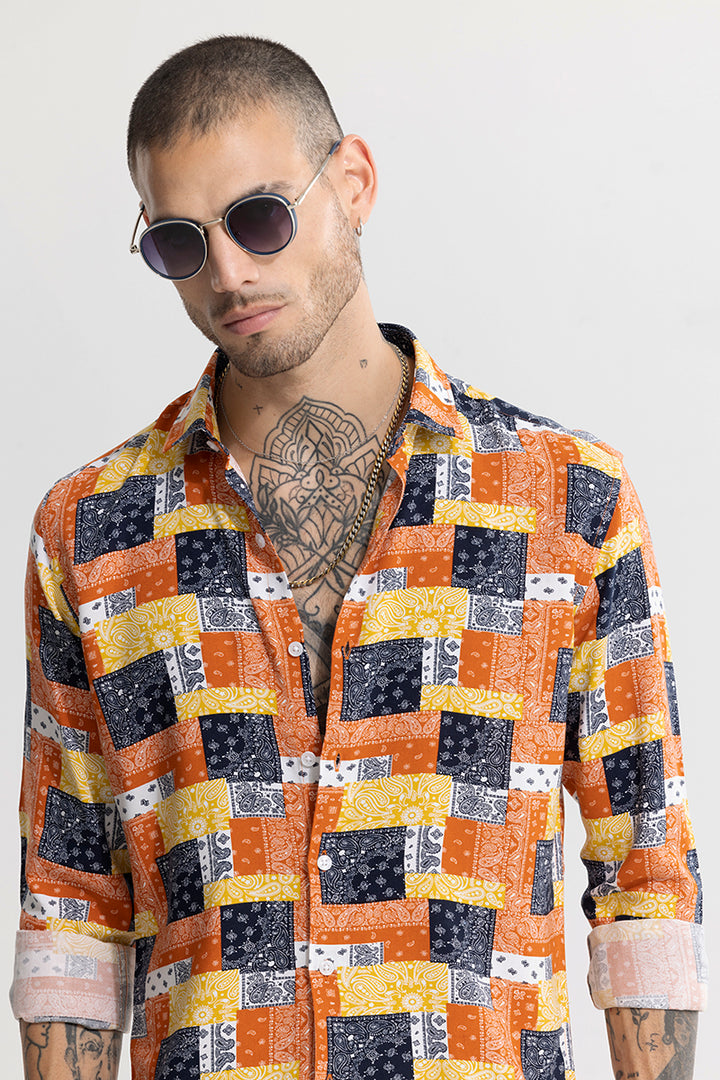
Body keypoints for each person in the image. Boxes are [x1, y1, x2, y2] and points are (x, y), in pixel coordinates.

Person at [11, 35, 707, 1080]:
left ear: (353, 184)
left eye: (259, 217)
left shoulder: (566, 498)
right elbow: (73, 907)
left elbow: (644, 871)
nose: (230, 273)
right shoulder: (93, 530)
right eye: (180, 244)